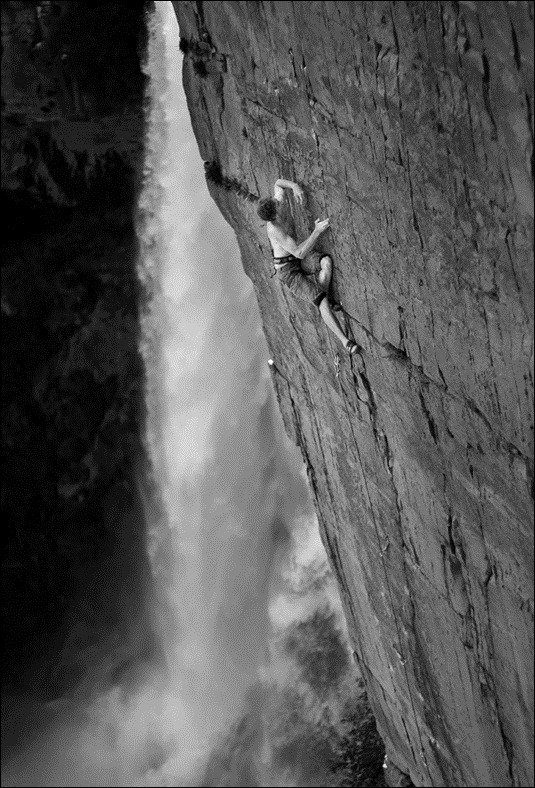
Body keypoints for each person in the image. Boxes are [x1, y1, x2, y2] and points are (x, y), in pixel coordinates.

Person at [257, 178, 358, 353]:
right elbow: (299, 252)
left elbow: (277, 183)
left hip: (295, 259)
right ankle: (345, 342)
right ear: (274, 216)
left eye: (275, 200)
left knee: (325, 261)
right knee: (321, 300)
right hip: (288, 271)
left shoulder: (276, 204)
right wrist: (316, 231)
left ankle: (324, 298)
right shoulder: (275, 230)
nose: (279, 201)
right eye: (276, 204)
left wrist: (295, 187)